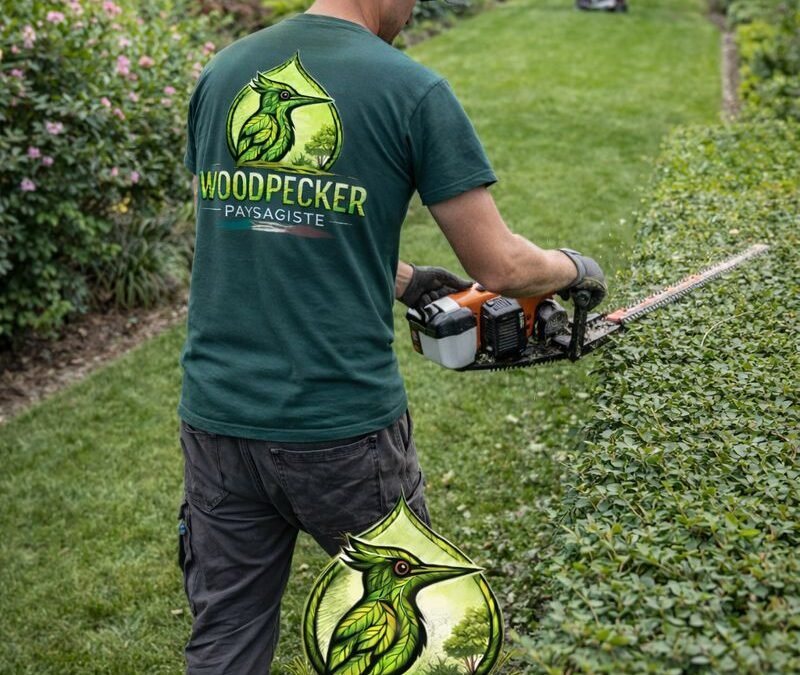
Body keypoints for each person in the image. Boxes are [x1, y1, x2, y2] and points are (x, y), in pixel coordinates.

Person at [177, 0, 607, 672]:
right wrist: (573, 268)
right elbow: (500, 267)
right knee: (412, 640)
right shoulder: (412, 91)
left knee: (227, 632)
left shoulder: (225, 71)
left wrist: (405, 279)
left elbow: (263, 222)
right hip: (339, 426)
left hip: (215, 420)